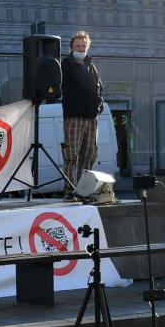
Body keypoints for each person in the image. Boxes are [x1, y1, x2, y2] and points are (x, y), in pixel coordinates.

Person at [60, 30, 103, 202]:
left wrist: (98, 107)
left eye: (83, 46)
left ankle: (84, 192)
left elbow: (99, 89)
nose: (81, 48)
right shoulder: (66, 65)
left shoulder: (91, 66)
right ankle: (69, 191)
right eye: (78, 46)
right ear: (71, 47)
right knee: (71, 155)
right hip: (74, 117)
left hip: (91, 118)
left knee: (89, 156)